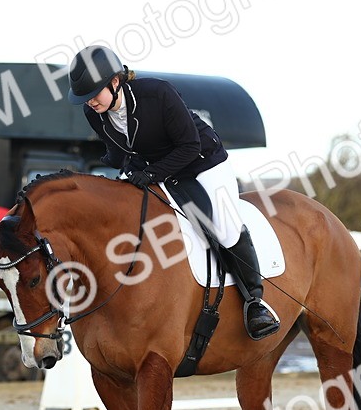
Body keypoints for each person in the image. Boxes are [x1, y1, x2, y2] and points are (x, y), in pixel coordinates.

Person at [66, 45, 281, 341]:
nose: (89, 102)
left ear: (115, 82)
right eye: (84, 97)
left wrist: (150, 174)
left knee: (224, 226)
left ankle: (256, 304)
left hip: (203, 164)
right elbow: (119, 151)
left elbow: (189, 146)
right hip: (162, 170)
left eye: (93, 93)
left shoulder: (158, 94)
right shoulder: (96, 114)